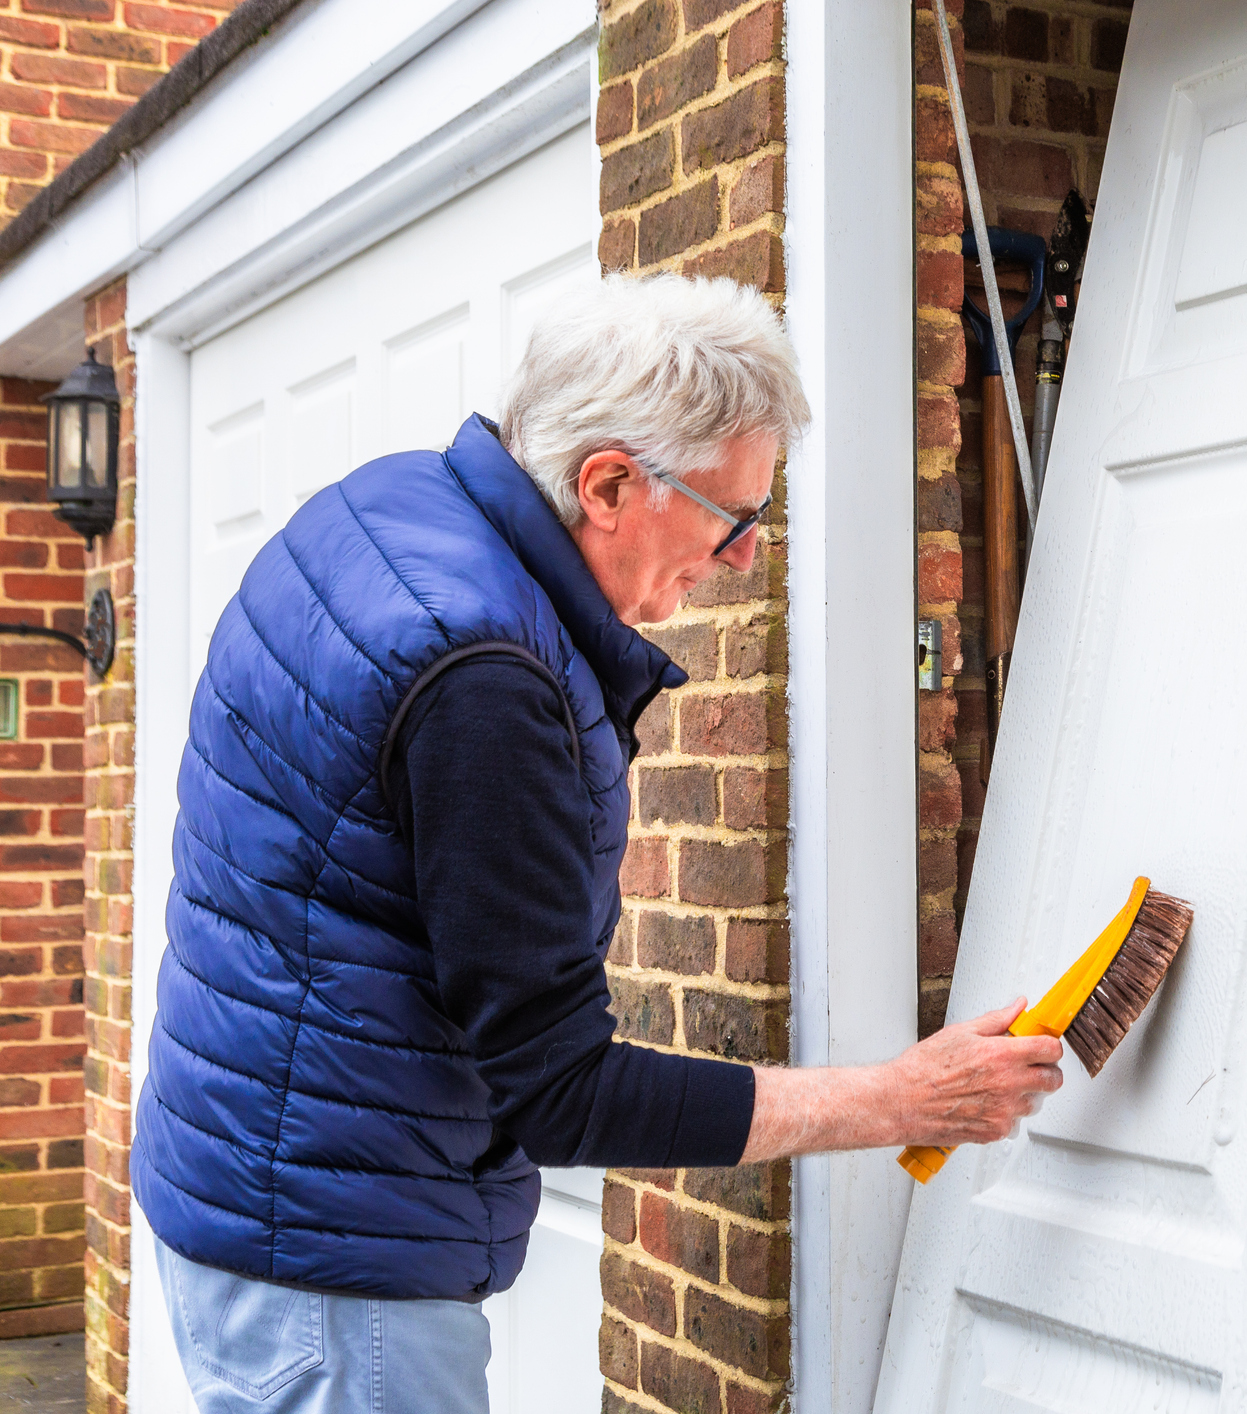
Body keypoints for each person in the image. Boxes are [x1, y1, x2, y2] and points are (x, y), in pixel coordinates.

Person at [131, 274, 1061, 1413]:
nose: (740, 560)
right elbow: (560, 1087)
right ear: (610, 483)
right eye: (735, 519)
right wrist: (901, 1099)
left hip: (250, 1195)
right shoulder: (481, 678)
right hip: (336, 1274)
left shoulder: (391, 509)